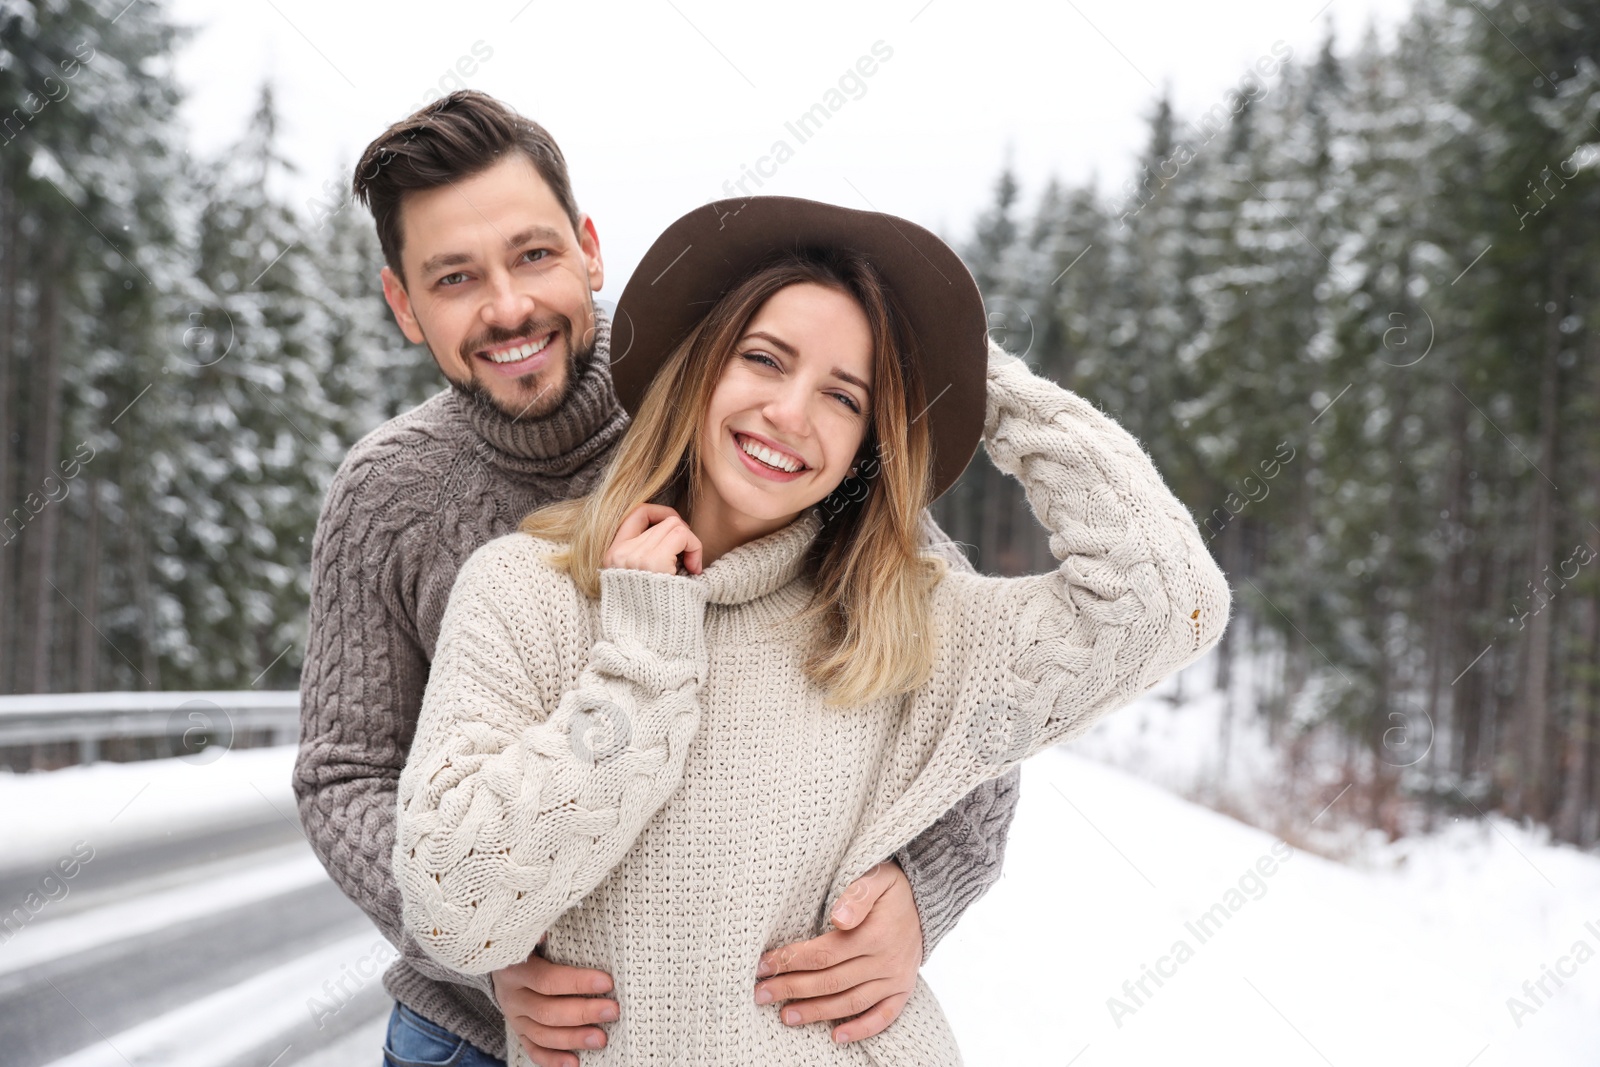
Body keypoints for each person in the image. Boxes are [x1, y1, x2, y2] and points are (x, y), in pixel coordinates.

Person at [394, 196, 1234, 1064]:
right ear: (700, 369)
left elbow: (1172, 600)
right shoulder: (525, 592)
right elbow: (453, 908)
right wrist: (641, 663)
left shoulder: (903, 620)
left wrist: (984, 383)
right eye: (764, 359)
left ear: (871, 437)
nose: (792, 413)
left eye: (844, 395)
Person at [293, 92, 1021, 1067]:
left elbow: (956, 672)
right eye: (455, 277)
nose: (507, 305)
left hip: (716, 1017)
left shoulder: (740, 409)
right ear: (404, 304)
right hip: (467, 1030)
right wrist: (483, 952)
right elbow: (345, 769)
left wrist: (923, 894)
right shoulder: (388, 495)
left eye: (533, 255)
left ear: (590, 250)